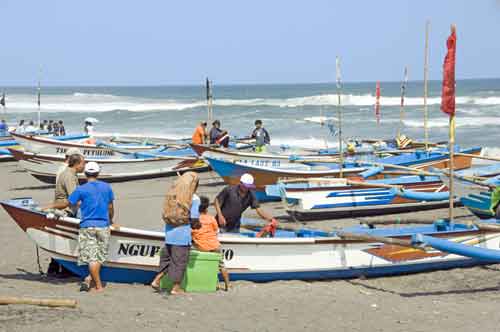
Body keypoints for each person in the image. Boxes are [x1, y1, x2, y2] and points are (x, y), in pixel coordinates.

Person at [45, 162, 117, 292]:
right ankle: (92, 280)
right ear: (98, 173)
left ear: (85, 174)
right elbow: (111, 207)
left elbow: (68, 203)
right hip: (103, 225)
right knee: (100, 256)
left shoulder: (81, 189)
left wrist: (51, 206)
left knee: (91, 257)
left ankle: (97, 284)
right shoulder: (107, 187)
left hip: (87, 226)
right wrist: (111, 220)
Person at [151, 172, 200, 295]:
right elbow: (194, 220)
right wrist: (198, 225)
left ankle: (157, 280)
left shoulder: (173, 195)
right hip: (182, 236)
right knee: (179, 262)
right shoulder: (194, 198)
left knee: (168, 260)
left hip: (169, 234)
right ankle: (176, 288)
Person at [191, 196, 230, 291]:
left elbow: (191, 233)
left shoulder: (194, 220)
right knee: (221, 265)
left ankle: (207, 283)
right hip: (215, 245)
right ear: (206, 208)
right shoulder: (212, 218)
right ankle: (227, 286)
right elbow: (216, 232)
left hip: (201, 247)